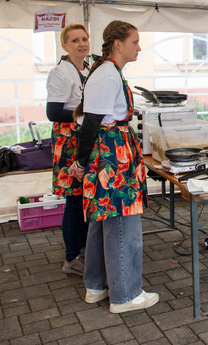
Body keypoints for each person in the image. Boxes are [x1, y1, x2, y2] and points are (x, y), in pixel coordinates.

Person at [68, 20, 158, 313]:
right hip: (112, 156)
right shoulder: (107, 74)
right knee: (122, 222)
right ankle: (125, 295)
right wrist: (80, 162)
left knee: (102, 221)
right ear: (118, 44)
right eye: (135, 42)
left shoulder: (108, 71)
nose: (139, 48)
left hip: (112, 152)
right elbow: (91, 122)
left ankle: (96, 286)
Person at [46, 24, 90, 276]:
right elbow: (53, 112)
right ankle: (71, 259)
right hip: (68, 140)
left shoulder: (88, 69)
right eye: (75, 40)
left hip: (83, 136)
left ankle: (83, 249)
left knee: (85, 197)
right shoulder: (60, 73)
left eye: (84, 39)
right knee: (74, 200)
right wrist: (85, 116)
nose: (81, 44)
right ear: (64, 46)